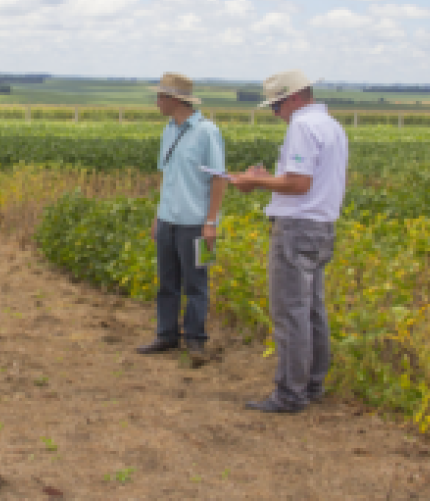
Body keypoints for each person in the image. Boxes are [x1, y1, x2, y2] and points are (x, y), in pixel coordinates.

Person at [229, 70, 348, 414]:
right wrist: (269, 179)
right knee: (312, 310)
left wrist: (255, 183)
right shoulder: (332, 126)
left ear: (294, 98)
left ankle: (290, 393)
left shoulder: (302, 126)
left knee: (290, 312)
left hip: (297, 227)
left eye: (276, 105)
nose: (275, 113)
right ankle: (313, 383)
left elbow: (298, 184)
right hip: (323, 225)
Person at [136, 73, 227, 364]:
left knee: (197, 283)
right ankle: (166, 335)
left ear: (175, 99)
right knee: (167, 281)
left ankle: (196, 340)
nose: (156, 102)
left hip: (197, 224)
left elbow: (219, 180)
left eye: (160, 97)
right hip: (168, 220)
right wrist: (157, 216)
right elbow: (167, 177)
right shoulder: (168, 131)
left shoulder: (207, 131)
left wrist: (211, 222)